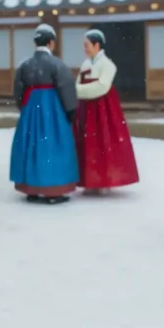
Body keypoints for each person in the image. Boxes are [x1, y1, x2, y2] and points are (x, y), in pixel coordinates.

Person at [9, 24, 79, 203]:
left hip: (31, 106)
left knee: (31, 145)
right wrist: (70, 111)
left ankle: (30, 188)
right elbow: (66, 88)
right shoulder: (57, 64)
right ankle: (53, 190)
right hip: (52, 108)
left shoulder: (25, 65)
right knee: (52, 146)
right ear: (51, 43)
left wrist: (24, 109)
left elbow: (18, 90)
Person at [74, 29, 139, 194]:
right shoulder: (85, 64)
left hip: (103, 110)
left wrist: (76, 90)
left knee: (103, 142)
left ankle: (104, 180)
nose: (84, 48)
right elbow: (79, 85)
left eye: (86, 45)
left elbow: (101, 87)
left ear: (97, 45)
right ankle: (88, 180)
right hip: (86, 108)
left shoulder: (108, 65)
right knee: (87, 144)